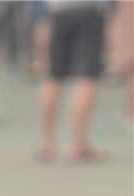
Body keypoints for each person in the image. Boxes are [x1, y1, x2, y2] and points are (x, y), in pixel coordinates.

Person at [36, 1, 113, 161]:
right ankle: (76, 143)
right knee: (86, 76)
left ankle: (46, 141)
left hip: (56, 11)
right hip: (89, 10)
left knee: (52, 75)